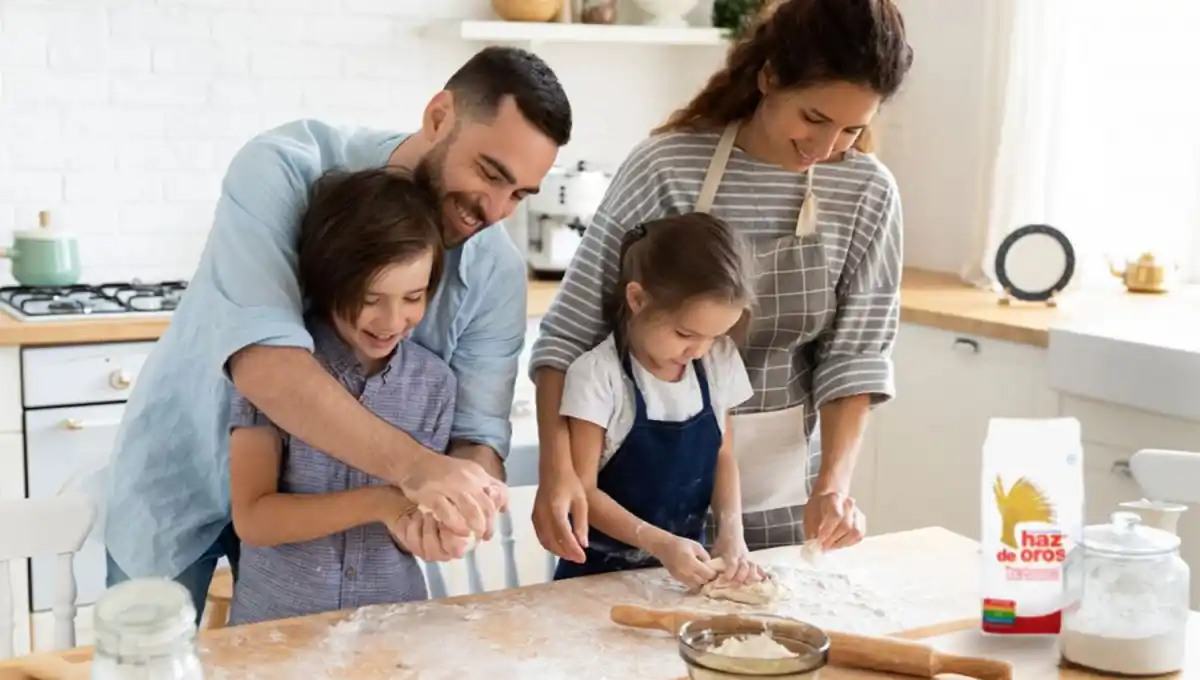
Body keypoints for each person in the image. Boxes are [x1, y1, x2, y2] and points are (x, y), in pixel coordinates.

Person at [103, 45, 573, 620]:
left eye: (520, 194)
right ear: (438, 116)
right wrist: (416, 471)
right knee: (140, 660)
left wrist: (455, 509)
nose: (497, 210)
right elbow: (267, 367)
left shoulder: (495, 270)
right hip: (181, 476)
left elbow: (475, 438)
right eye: (489, 173)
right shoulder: (281, 168)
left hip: (334, 542)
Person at [531, 0, 913, 565]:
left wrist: (832, 485)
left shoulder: (867, 193)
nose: (825, 148)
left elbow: (854, 357)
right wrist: (557, 472)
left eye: (853, 129)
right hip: (637, 510)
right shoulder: (668, 166)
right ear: (769, 76)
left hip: (786, 499)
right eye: (813, 118)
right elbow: (568, 336)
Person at [228, 169, 460, 625]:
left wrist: (436, 531)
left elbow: (413, 520)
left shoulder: (435, 385)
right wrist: (382, 503)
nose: (393, 320)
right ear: (329, 280)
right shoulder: (277, 374)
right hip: (278, 632)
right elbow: (254, 518)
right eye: (371, 298)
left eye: (413, 296)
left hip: (392, 628)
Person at [551, 213, 764, 589]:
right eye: (685, 333)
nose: (699, 350)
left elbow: (723, 456)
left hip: (682, 575)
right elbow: (583, 491)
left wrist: (732, 533)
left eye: (714, 336)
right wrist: (660, 543)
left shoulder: (718, 361)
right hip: (596, 576)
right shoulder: (598, 376)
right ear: (637, 299)